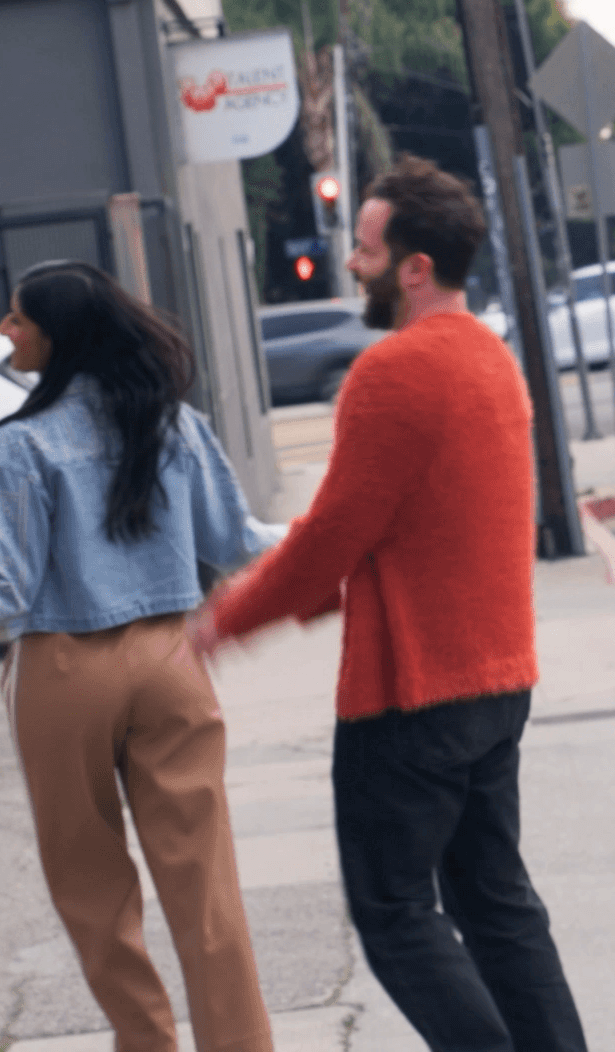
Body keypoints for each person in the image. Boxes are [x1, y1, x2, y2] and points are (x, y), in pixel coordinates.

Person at [0, 261, 284, 1052]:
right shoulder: (172, 423)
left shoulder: (21, 445)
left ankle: (146, 1043)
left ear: (58, 334)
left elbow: (4, 591)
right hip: (172, 663)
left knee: (92, 886)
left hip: (66, 673)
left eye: (16, 319)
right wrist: (347, 545)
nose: (3, 331)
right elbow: (238, 543)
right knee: (206, 885)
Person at [191, 155, 589, 1052]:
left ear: (415, 266)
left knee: (396, 916)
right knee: (495, 903)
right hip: (497, 683)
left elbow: (333, 534)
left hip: (413, 696)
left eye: (366, 250)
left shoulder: (394, 373)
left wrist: (226, 621)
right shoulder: (492, 360)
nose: (352, 266)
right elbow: (415, 526)